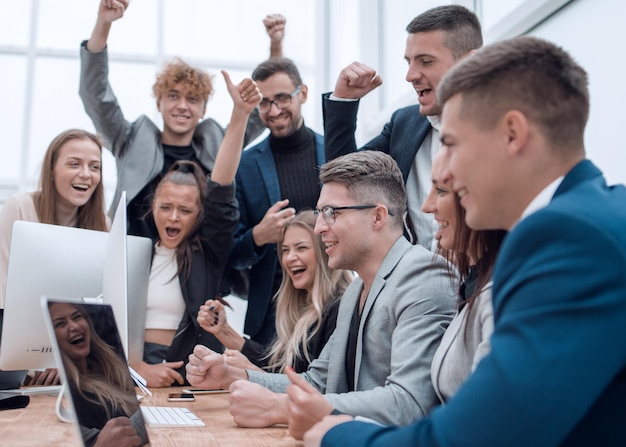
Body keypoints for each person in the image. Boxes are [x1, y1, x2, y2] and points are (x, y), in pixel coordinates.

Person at [302, 36, 626, 447]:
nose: (446, 176)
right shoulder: (587, 219)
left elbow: (478, 436)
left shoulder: (569, 239)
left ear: (512, 134)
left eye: (451, 144)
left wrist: (335, 434)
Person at [186, 151, 456, 432]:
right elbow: (317, 383)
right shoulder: (354, 293)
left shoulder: (423, 275)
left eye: (332, 213)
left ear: (377, 216)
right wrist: (233, 375)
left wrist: (283, 408)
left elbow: (410, 403)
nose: (318, 228)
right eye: (319, 213)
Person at [79, 0, 279, 242]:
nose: (182, 106)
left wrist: (275, 48)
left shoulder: (219, 144)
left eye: (193, 99)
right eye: (173, 96)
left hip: (199, 267)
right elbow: (96, 95)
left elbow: (258, 111)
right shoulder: (129, 140)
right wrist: (103, 23)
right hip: (133, 261)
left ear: (204, 109)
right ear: (158, 103)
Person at [128, 71, 261, 387]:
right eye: (165, 208)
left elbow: (222, 186)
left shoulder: (207, 253)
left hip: (186, 376)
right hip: (131, 371)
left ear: (199, 214)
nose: (173, 217)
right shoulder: (134, 254)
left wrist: (240, 114)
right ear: (152, 209)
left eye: (185, 210)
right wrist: (136, 367)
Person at [322, 5, 481, 250]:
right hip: (419, 283)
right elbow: (344, 180)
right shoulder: (403, 124)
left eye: (425, 62)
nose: (410, 75)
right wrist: (344, 101)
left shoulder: (502, 129)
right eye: (409, 62)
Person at [0, 128, 109, 386]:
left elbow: (99, 305)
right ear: (52, 169)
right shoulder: (19, 208)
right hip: (14, 360)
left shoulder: (103, 224)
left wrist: (65, 361)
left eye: (95, 167)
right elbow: (4, 296)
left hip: (73, 366)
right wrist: (35, 360)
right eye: (74, 164)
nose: (86, 174)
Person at [229, 57, 325, 346]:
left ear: (303, 94)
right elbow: (230, 254)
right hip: (270, 314)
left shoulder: (335, 151)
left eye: (282, 98)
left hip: (332, 301)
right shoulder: (244, 164)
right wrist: (258, 236)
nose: (274, 110)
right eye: (265, 102)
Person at [199, 210, 353, 373]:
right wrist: (223, 330)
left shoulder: (340, 308)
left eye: (301, 248)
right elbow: (277, 365)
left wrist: (249, 372)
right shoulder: (301, 305)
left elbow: (315, 385)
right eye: (285, 250)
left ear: (326, 251)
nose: (289, 257)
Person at [48, 301, 147, 447]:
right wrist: (158, 413)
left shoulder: (108, 369)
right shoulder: (80, 394)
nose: (74, 326)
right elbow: (120, 439)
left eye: (77, 317)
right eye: (60, 324)